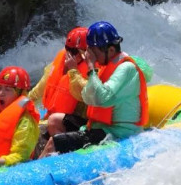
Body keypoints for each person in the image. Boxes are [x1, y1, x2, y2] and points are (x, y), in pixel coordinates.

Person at [40, 21, 148, 156]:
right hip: (99, 126)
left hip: (117, 132)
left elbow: (101, 98)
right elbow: (86, 96)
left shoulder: (126, 69)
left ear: (111, 50)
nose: (90, 55)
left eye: (93, 51)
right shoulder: (105, 65)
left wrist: (91, 68)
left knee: (54, 143)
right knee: (55, 120)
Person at [28, 27, 90, 138]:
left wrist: (73, 70)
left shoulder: (92, 68)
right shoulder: (59, 62)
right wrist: (19, 105)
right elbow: (37, 91)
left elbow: (84, 95)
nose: (70, 54)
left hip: (74, 120)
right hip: (52, 118)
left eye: (75, 51)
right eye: (68, 49)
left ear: (86, 52)